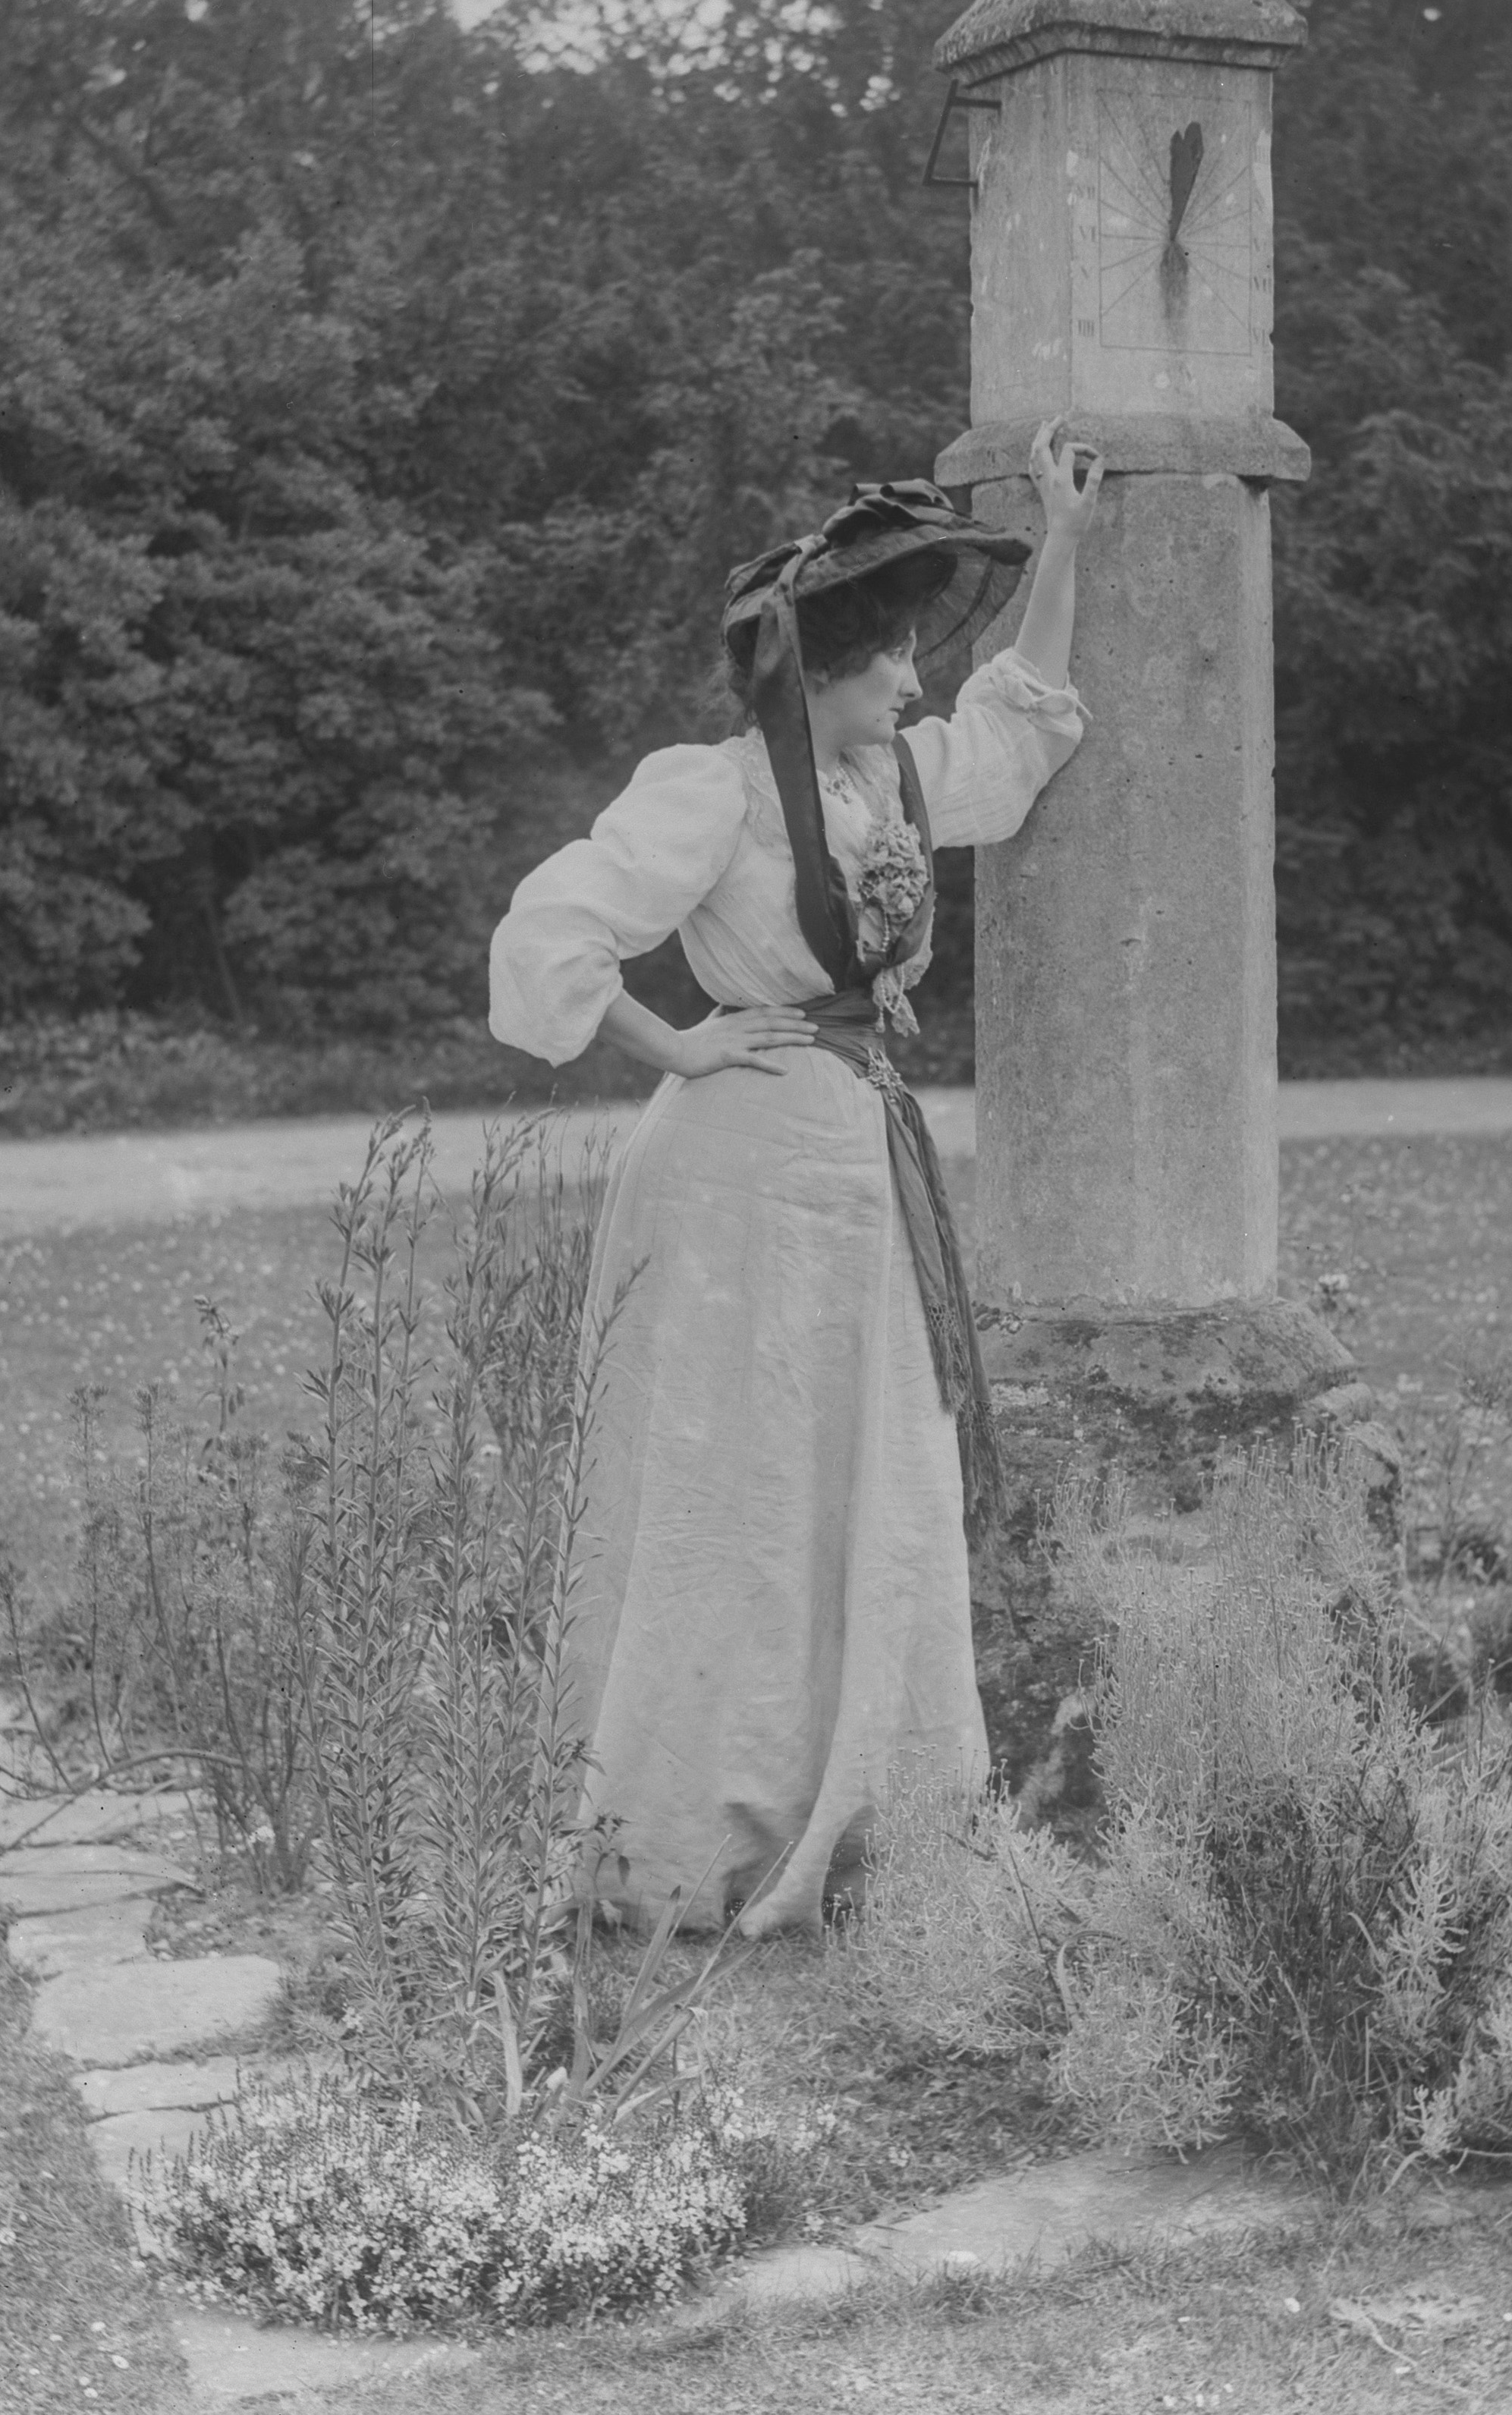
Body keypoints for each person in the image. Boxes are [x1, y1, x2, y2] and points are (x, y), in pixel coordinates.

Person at [486, 419, 1105, 1935]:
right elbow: (547, 935)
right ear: (813, 670)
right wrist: (679, 1047)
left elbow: (1018, 732)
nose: (913, 681)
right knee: (732, 1483)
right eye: (888, 658)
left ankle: (874, 1811)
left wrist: (1066, 538)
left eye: (912, 658)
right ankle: (696, 1818)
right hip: (732, 1175)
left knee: (862, 1475)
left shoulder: (893, 778)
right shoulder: (717, 790)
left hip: (854, 1170)